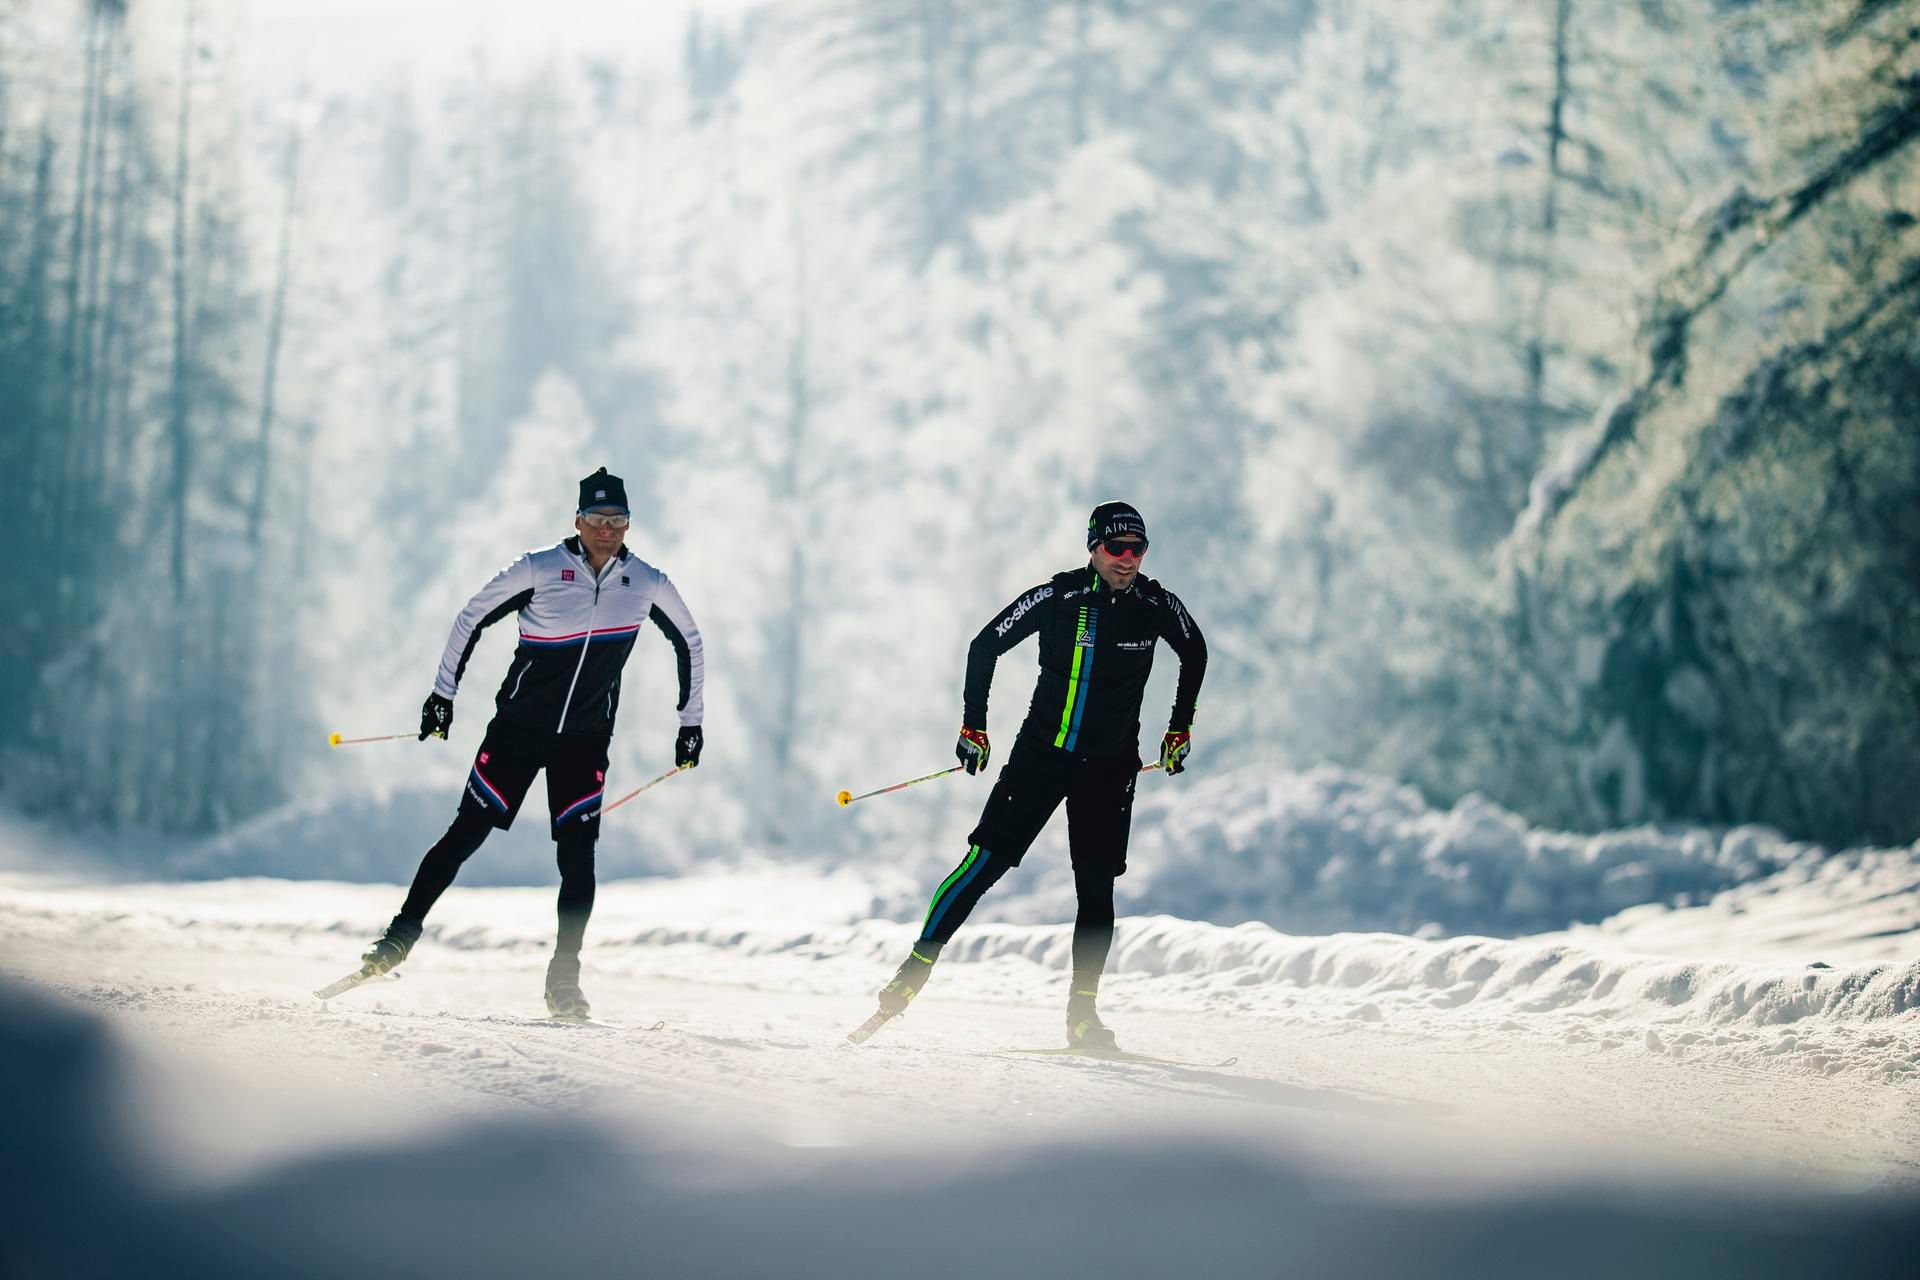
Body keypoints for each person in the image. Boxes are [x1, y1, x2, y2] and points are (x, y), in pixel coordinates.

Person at [353, 468, 705, 1019]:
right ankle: (398, 937)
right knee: (464, 835)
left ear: (629, 524)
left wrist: (690, 723)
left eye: (617, 521)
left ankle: (564, 980)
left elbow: (690, 641)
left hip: (585, 742)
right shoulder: (539, 568)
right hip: (518, 731)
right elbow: (471, 617)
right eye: (597, 519)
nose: (607, 530)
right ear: (578, 520)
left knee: (578, 862)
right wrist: (442, 695)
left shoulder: (647, 583)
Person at [855, 500, 1206, 1050]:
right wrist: (974, 726)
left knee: (1096, 890)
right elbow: (984, 646)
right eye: (1116, 547)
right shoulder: (1059, 596)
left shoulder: (1156, 604)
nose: (1128, 559)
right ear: (1093, 547)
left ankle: (1082, 1016)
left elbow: (1195, 651)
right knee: (983, 865)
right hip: (1041, 758)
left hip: (1109, 769)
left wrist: (1179, 727)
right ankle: (914, 968)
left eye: (1137, 549)